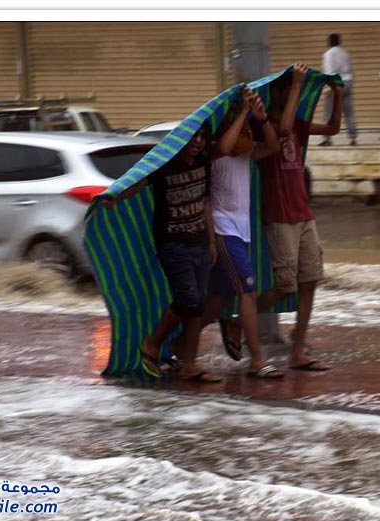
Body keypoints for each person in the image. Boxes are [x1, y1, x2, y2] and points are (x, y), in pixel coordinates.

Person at [222, 63, 342, 371]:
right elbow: (284, 130)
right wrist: (299, 84)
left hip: (303, 212)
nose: (290, 95)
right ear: (274, 93)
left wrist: (338, 95)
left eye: (292, 90)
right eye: (286, 90)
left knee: (310, 280)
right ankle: (238, 323)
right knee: (285, 285)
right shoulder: (262, 127)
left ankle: (297, 351)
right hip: (279, 215)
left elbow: (332, 129)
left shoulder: (297, 124)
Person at [171, 87, 285, 379]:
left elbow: (273, 147)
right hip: (223, 230)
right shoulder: (214, 153)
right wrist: (244, 112)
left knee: (220, 298)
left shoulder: (246, 155)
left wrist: (260, 118)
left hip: (241, 233)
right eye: (242, 129)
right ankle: (257, 360)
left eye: (248, 130)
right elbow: (223, 147)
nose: (246, 135)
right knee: (248, 291)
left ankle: (180, 343)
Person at [103, 125, 222, 383]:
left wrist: (212, 241)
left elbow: (205, 203)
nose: (198, 142)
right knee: (188, 299)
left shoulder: (204, 164)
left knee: (197, 306)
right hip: (173, 245)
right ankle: (152, 343)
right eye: (193, 137)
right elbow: (139, 183)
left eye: (203, 138)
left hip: (200, 244)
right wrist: (115, 197)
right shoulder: (166, 164)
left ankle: (189, 365)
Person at [320, 33, 357, 146]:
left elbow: (329, 72)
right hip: (347, 83)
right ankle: (353, 138)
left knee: (329, 112)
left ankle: (327, 139)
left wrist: (327, 88)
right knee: (348, 112)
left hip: (335, 84)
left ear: (329, 42)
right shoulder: (346, 54)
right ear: (339, 42)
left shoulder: (328, 54)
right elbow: (350, 70)